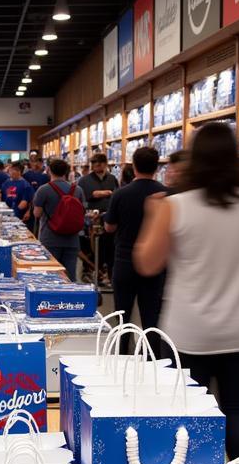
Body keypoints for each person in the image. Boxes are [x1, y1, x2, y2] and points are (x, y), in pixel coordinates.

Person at [135, 124, 239, 464]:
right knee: (235, 408)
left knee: (190, 413)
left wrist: (155, 220)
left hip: (189, 330)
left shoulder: (175, 206)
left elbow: (147, 263)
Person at [105, 146, 167, 355]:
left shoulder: (121, 193)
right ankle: (152, 359)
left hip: (124, 260)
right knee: (151, 316)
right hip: (156, 262)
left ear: (134, 164)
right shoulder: (165, 194)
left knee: (122, 313)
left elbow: (109, 227)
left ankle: (122, 356)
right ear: (157, 166)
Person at [32, 157, 86, 281]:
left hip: (50, 238)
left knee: (50, 275)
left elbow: (37, 213)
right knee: (70, 275)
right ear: (66, 171)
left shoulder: (43, 190)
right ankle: (69, 299)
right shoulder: (77, 190)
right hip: (72, 239)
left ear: (49, 170)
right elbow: (83, 211)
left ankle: (52, 300)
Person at [79, 153, 119, 291]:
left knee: (108, 248)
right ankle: (90, 273)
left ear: (105, 164)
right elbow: (89, 196)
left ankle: (106, 275)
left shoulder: (112, 178)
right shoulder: (84, 180)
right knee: (89, 248)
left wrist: (104, 193)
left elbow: (116, 194)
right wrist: (105, 193)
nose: (98, 165)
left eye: (101, 163)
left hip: (109, 218)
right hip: (90, 219)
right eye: (95, 163)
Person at [1, 161, 33, 227]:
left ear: (18, 171)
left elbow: (24, 203)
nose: (8, 171)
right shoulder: (8, 182)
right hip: (6, 214)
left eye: (11, 169)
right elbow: (7, 196)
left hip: (18, 216)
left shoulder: (25, 185)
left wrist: (12, 215)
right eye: (9, 169)